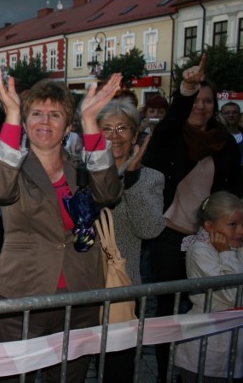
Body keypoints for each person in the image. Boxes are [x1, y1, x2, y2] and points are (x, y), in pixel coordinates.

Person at [0, 67, 122, 382]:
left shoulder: (81, 168)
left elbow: (110, 193)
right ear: (26, 121)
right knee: (12, 378)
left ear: (67, 125)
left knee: (68, 378)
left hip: (80, 296)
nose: (45, 122)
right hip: (22, 295)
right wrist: (11, 115)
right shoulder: (13, 168)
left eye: (55, 115)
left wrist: (91, 122)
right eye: (36, 113)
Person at [142, 55, 243, 380]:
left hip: (212, 239)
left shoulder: (225, 144)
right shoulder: (171, 136)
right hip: (170, 237)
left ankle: (205, 366)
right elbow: (171, 121)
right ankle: (162, 372)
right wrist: (186, 88)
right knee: (168, 310)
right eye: (195, 100)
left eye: (207, 100)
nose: (201, 107)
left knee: (212, 305)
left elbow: (235, 189)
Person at [95, 99, 166, 381]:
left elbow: (150, 229)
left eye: (122, 128)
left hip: (121, 287)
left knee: (118, 369)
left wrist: (132, 180)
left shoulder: (150, 178)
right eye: (107, 129)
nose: (114, 136)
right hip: (80, 285)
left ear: (135, 135)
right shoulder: (80, 173)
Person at [174, 191, 243, 382]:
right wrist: (226, 254)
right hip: (205, 353)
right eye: (233, 225)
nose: (241, 231)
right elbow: (232, 296)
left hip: (231, 353)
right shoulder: (199, 251)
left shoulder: (237, 248)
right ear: (209, 226)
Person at [220, 101, 243, 166]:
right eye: (227, 113)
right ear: (221, 115)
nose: (231, 115)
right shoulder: (214, 137)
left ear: (240, 115)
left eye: (235, 112)